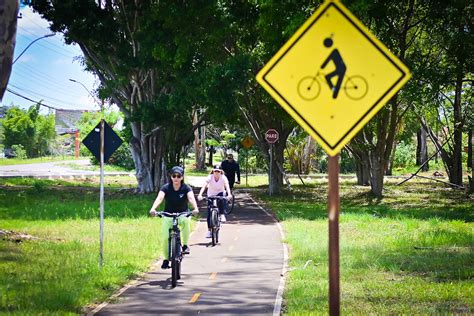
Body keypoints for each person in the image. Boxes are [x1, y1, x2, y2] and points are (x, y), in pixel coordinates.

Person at [149, 166, 199, 270]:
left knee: (185, 222)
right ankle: (166, 259)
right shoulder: (166, 188)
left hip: (182, 214)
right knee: (165, 237)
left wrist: (195, 208)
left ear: (182, 177)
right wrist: (153, 209)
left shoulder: (186, 188)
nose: (176, 178)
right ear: (171, 177)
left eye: (178, 176)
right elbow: (160, 198)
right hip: (168, 215)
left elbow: (190, 197)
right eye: (174, 176)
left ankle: (185, 245)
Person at [197, 164, 232, 237]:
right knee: (209, 212)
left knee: (221, 200)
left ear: (220, 172)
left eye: (218, 171)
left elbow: (227, 186)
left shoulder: (223, 178)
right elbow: (204, 186)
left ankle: (222, 214)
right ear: (213, 171)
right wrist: (200, 194)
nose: (216, 173)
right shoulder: (210, 177)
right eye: (215, 171)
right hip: (211, 194)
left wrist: (229, 194)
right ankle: (209, 231)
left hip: (220, 192)